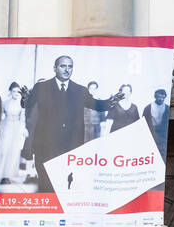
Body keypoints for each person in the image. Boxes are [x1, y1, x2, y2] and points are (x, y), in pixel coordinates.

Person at [20, 55, 118, 192]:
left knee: (66, 185)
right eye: (63, 66)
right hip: (45, 145)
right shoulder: (41, 87)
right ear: (54, 68)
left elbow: (96, 105)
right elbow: (27, 104)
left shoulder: (80, 90)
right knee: (46, 184)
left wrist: (110, 102)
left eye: (70, 66)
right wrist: (24, 99)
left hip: (70, 145)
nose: (67, 70)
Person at [0, 81, 28, 185]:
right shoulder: (5, 102)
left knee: (13, 151)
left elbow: (23, 118)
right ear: (10, 91)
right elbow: (0, 116)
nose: (16, 93)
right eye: (14, 91)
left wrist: (22, 130)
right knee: (3, 150)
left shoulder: (22, 104)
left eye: (17, 91)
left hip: (16, 128)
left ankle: (8, 176)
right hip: (5, 127)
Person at [142, 88, 170, 155]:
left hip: (163, 135)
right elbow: (143, 122)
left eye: (163, 97)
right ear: (155, 96)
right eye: (159, 97)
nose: (161, 99)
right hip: (151, 133)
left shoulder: (167, 108)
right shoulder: (148, 107)